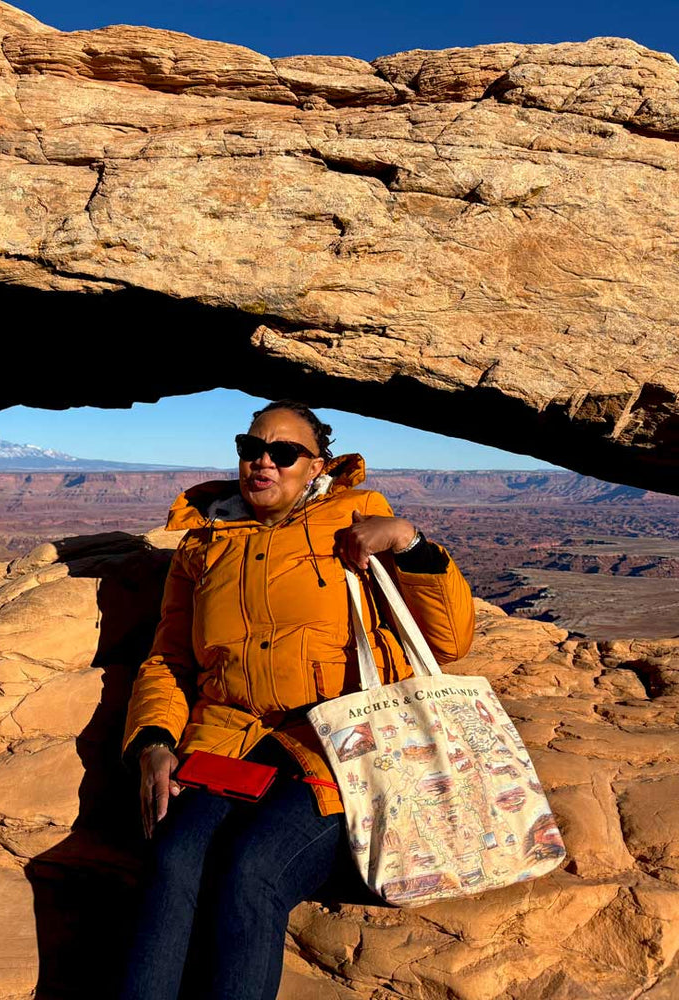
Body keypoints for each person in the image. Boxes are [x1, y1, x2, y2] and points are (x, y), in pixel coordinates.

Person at [117, 400, 475, 1000]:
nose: (262, 462)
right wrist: (152, 741)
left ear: (317, 466)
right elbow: (170, 658)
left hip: (335, 749)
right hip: (227, 741)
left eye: (283, 453)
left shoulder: (358, 518)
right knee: (172, 862)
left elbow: (452, 639)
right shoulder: (203, 544)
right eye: (250, 447)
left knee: (251, 872)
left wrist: (408, 543)